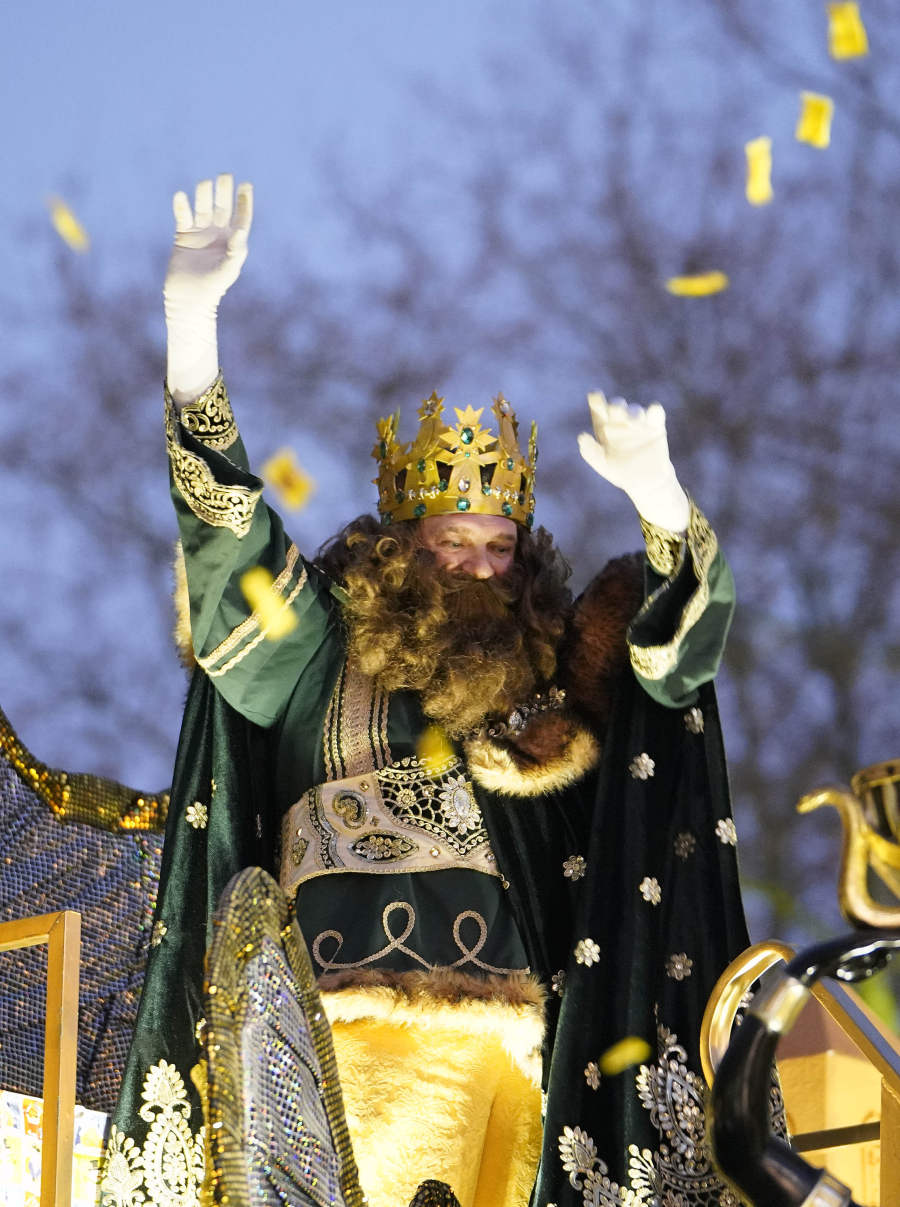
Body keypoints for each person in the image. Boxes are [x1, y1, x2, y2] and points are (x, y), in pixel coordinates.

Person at [100, 175, 749, 1207]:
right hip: (325, 1040)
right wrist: (193, 335)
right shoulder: (322, 650)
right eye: (455, 542)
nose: (482, 567)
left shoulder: (555, 686)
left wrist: (663, 502)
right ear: (406, 549)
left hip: (514, 1051)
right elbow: (231, 543)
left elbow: (673, 672)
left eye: (501, 546)